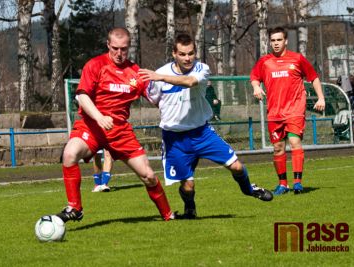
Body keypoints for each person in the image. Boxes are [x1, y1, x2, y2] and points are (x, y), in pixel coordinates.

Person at [138, 33, 273, 220]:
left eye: (191, 53)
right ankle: (190, 210)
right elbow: (153, 99)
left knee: (237, 167)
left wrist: (160, 77)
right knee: (188, 186)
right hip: (175, 139)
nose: (187, 58)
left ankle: (250, 189)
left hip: (201, 133)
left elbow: (190, 82)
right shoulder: (159, 75)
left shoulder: (201, 69)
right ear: (174, 54)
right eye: (183, 54)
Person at [56, 27, 175, 223]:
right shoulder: (95, 65)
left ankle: (168, 215)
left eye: (124, 49)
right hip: (92, 126)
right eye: (115, 49)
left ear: (129, 48)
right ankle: (74, 208)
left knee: (149, 176)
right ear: (108, 45)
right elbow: (81, 95)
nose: (119, 54)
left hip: (120, 131)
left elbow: (157, 98)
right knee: (69, 154)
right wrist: (99, 117)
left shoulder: (135, 72)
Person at [250, 27, 326, 195]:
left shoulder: (297, 59)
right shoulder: (265, 61)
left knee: (294, 143)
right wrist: (256, 87)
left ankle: (297, 182)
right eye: (273, 40)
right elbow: (255, 77)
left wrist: (321, 98)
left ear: (285, 41)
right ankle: (283, 184)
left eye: (279, 40)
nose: (276, 43)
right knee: (278, 147)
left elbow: (313, 77)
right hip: (274, 112)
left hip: (295, 109)